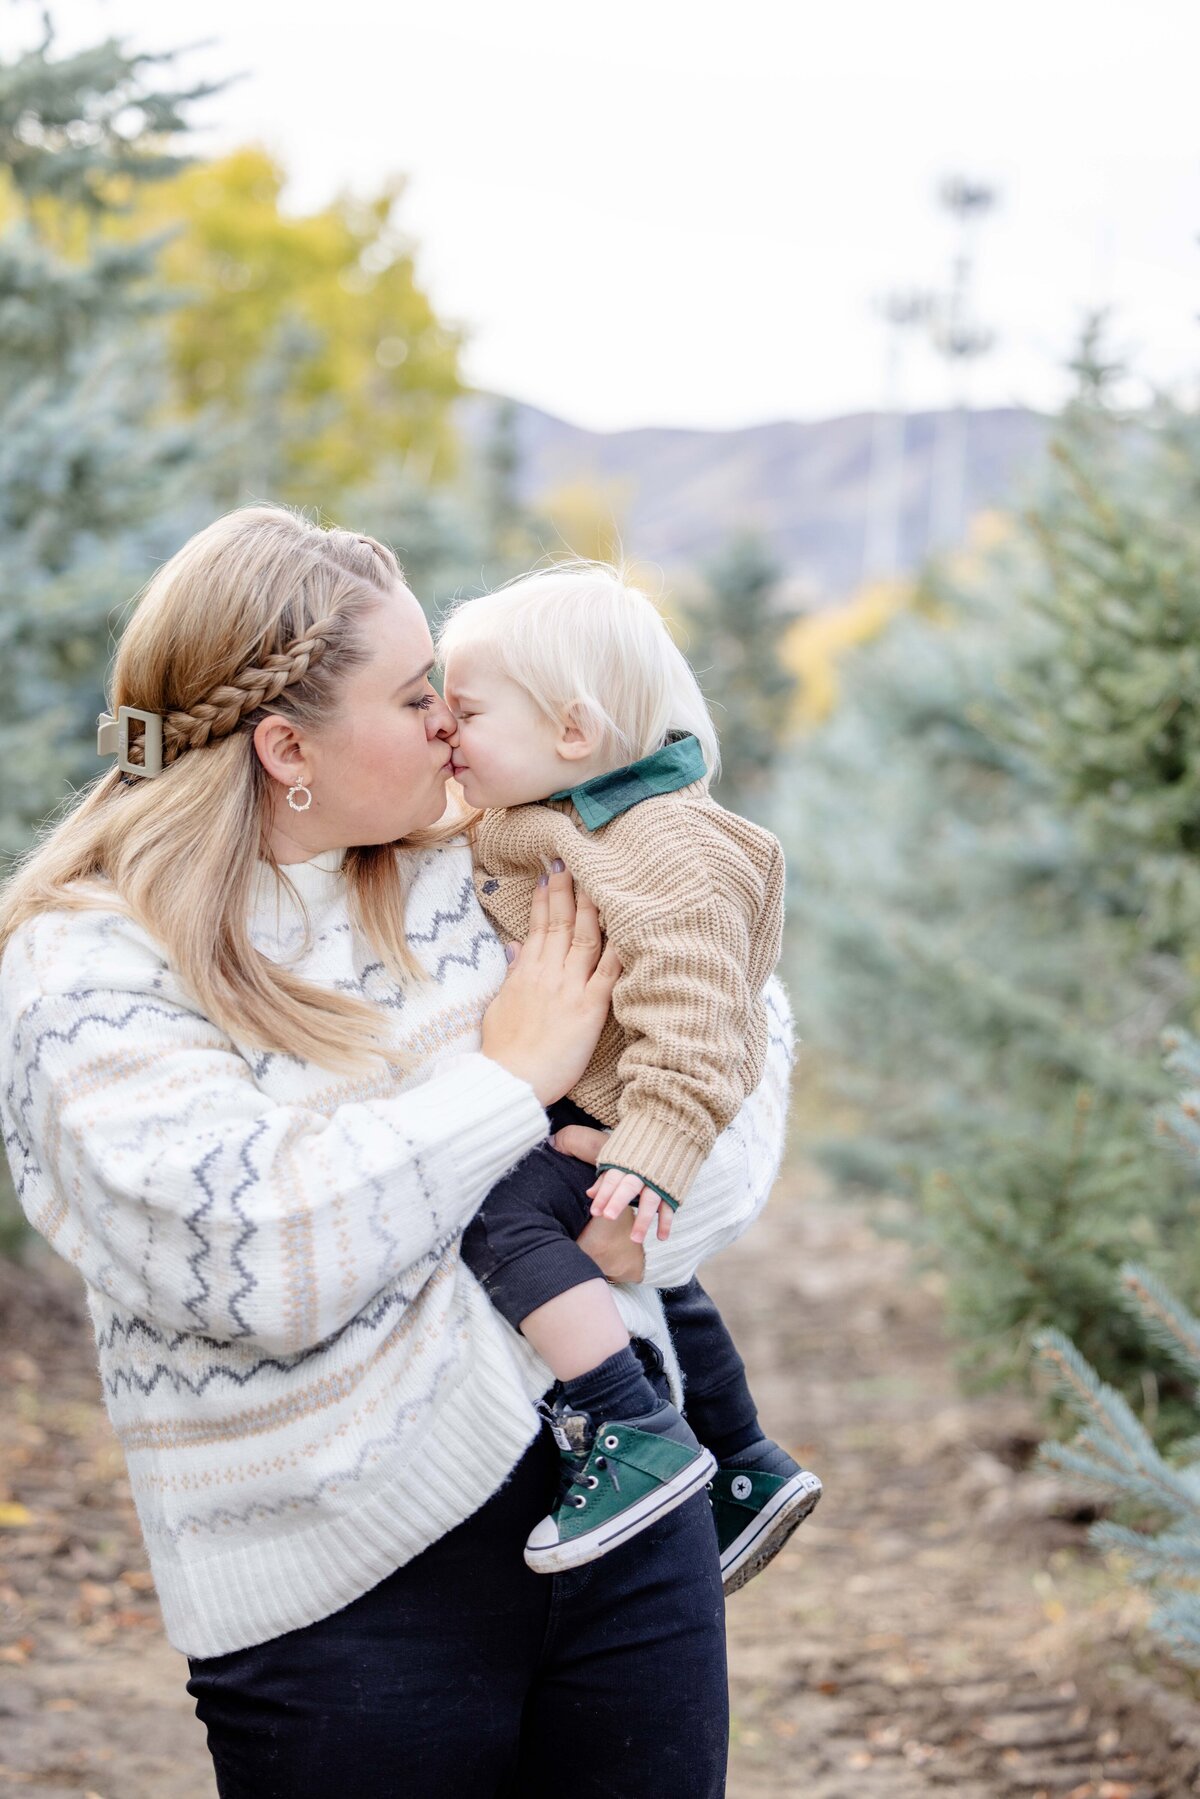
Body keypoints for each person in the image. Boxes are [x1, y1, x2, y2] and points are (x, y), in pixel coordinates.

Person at [0, 506, 794, 1799]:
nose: (451, 718)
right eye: (419, 690)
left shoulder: (483, 861)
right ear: (286, 744)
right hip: (340, 1600)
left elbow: (722, 1118)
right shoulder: (91, 964)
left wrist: (610, 1185)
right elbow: (251, 1257)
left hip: (628, 1521)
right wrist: (510, 1084)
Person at [440, 563, 821, 1589]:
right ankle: (743, 1460)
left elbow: (703, 1016)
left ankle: (628, 1421)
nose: (445, 730)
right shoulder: (566, 801)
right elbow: (482, 832)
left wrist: (654, 1150)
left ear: (571, 729)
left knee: (500, 1216)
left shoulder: (665, 847)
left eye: (465, 710)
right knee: (658, 1268)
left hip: (638, 1116)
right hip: (606, 1109)